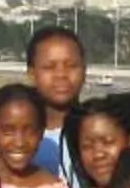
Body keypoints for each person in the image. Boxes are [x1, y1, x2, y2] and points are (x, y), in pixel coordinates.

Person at [24, 26, 88, 177]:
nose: (61, 74)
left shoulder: (99, 131)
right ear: (32, 74)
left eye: (71, 66)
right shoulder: (17, 136)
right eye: (49, 67)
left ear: (84, 70)